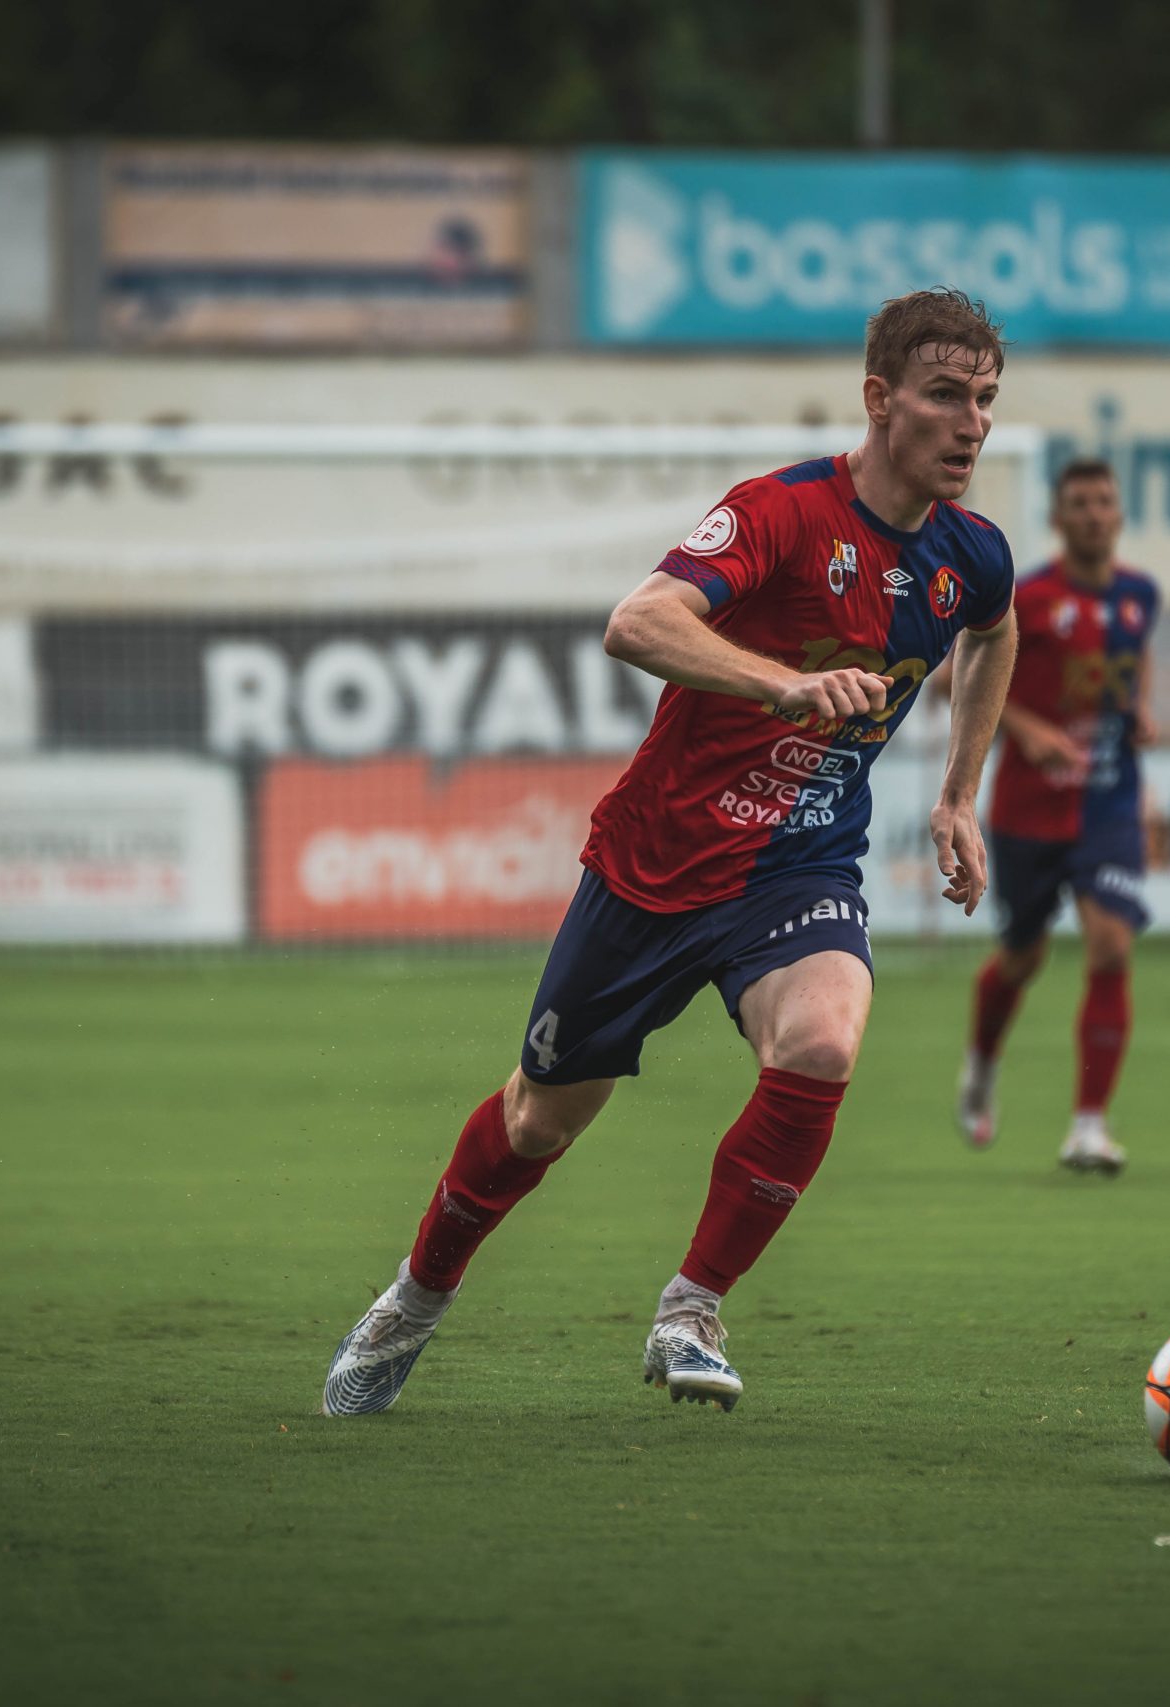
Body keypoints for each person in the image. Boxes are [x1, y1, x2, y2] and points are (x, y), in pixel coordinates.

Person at [323, 288, 1020, 1416]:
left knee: (823, 1041)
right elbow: (636, 621)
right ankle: (415, 1295)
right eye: (946, 395)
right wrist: (782, 682)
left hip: (798, 868)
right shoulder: (781, 512)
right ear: (879, 399)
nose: (972, 424)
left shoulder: (969, 553)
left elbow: (994, 629)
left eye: (985, 399)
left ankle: (691, 1309)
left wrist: (958, 793)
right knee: (536, 1121)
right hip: (655, 868)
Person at [946, 458, 1162, 1173]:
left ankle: (1089, 1126)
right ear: (1059, 519)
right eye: (1081, 503)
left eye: (1105, 501)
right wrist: (1025, 727)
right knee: (1023, 956)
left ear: (1119, 514)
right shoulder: (1028, 598)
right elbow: (951, 680)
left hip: (1109, 803)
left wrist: (1140, 712)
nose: (1095, 514)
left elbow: (1135, 661)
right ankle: (981, 1063)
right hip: (1029, 810)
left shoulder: (1139, 595)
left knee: (1111, 945)